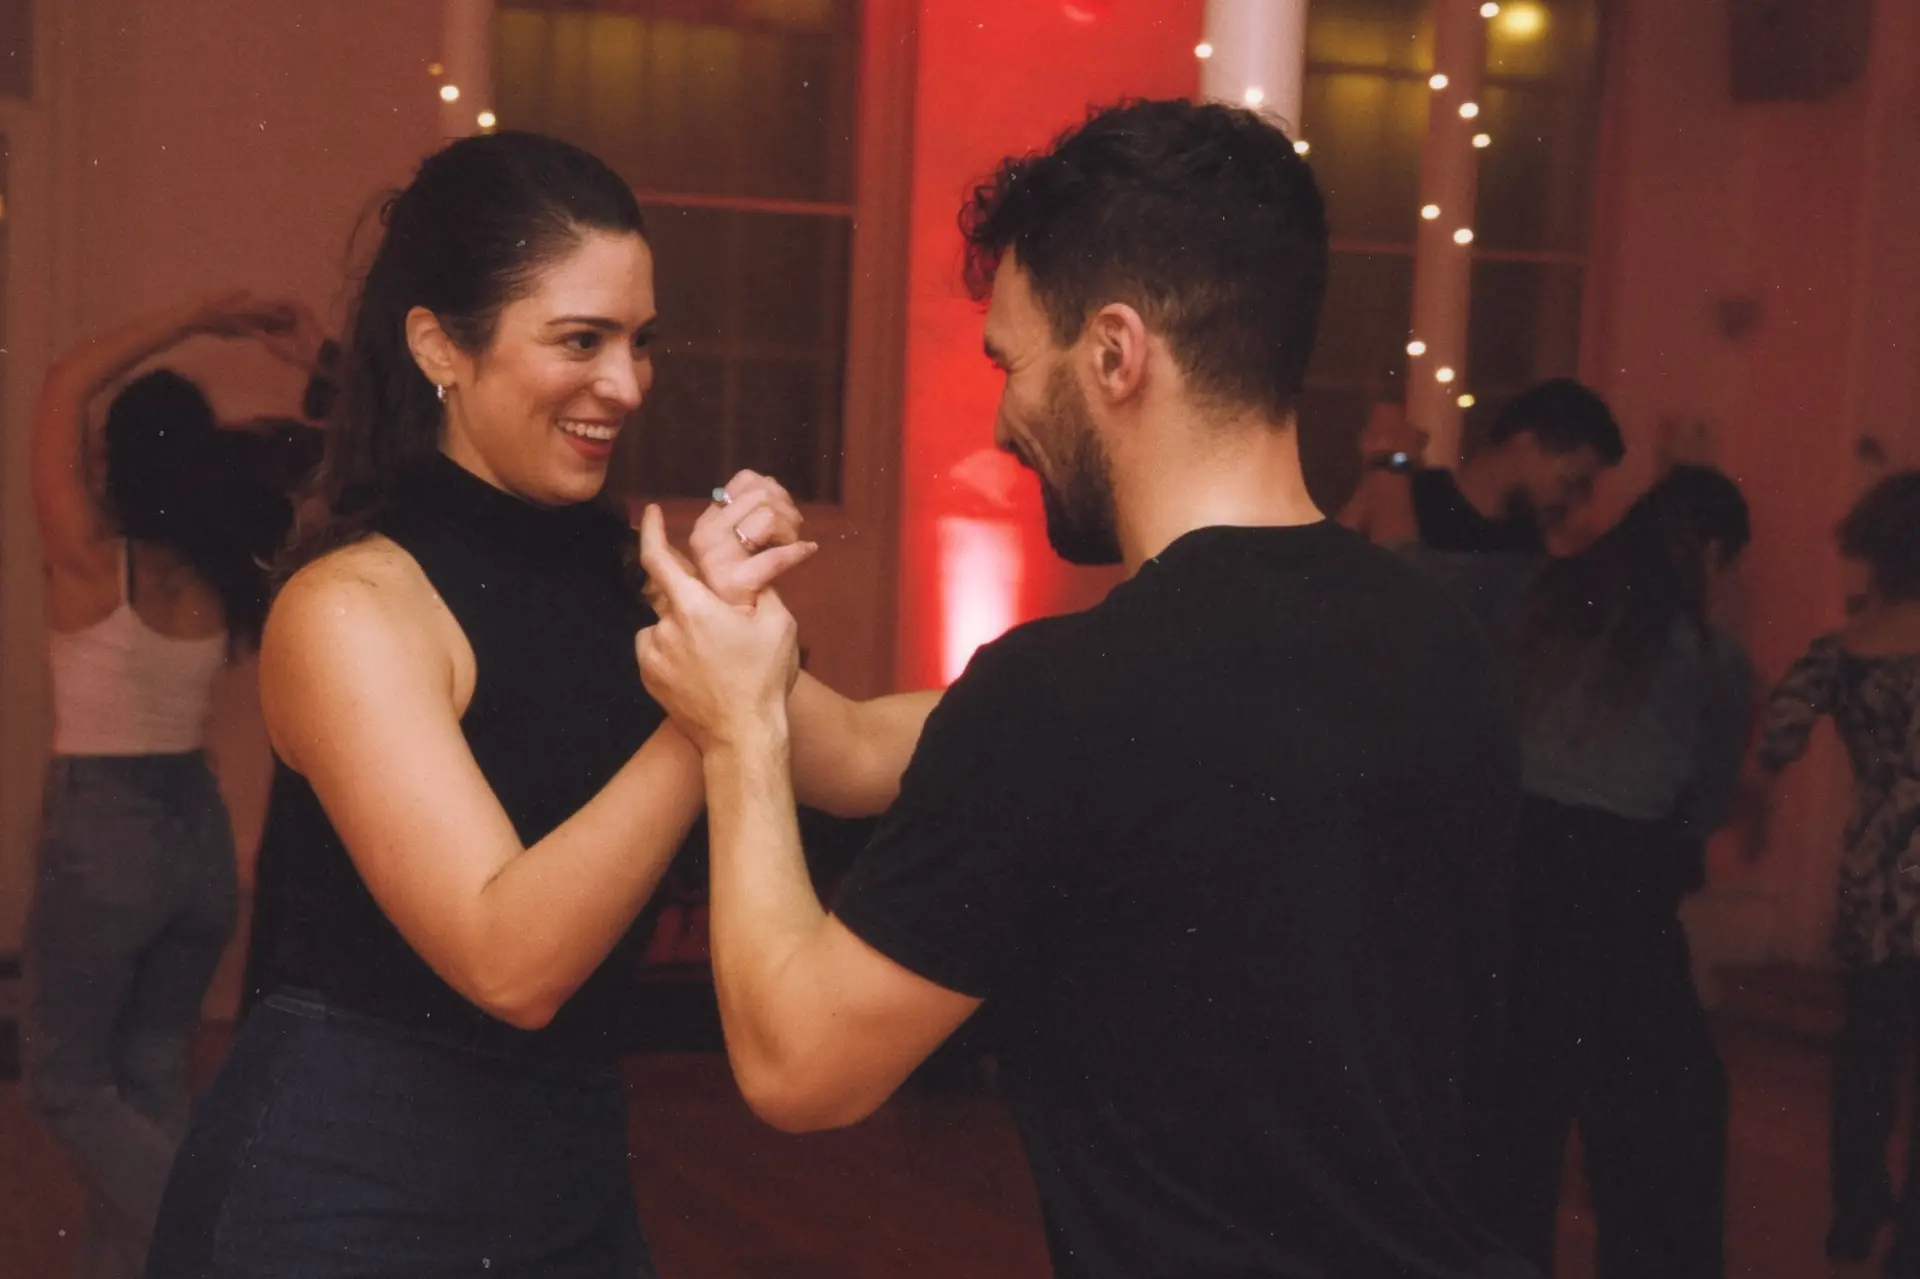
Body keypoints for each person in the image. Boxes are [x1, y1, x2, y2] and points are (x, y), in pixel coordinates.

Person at [634, 98, 1532, 1279]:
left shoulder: (1067, 698)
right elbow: (858, 748)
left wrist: (738, 732)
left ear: (1115, 353)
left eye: (1012, 359)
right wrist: (736, 631)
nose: (1005, 415)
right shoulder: (1436, 638)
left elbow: (801, 1069)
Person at [142, 131, 931, 1279]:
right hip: (343, 1183)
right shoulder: (353, 605)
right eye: (582, 340)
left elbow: (857, 749)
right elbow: (508, 959)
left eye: (639, 341)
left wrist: (1101, 677)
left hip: (562, 1170)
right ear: (439, 347)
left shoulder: (622, 576)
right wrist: (699, 704)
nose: (628, 383)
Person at [23, 291, 329, 1279]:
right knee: (147, 1075)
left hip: (104, 830)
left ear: (120, 459)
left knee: (65, 1085)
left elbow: (65, 382)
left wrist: (205, 315)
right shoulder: (216, 568)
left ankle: (221, 1245)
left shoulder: (89, 557)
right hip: (196, 837)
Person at [1486, 465, 1754, 1278]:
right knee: (1667, 1134)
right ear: (1710, 549)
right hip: (1620, 890)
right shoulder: (1710, 659)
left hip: (1517, 877)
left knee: (1513, 1131)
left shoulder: (1547, 602)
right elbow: (1699, 807)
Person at [1755, 472, 1920, 1274]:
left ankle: (1855, 1213)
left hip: (1875, 872)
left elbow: (1776, 738)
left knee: (1865, 1056)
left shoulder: (1841, 651)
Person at [1342, 379, 1627, 654]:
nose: (1572, 502)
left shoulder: (1529, 553)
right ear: (1524, 444)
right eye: (1569, 481)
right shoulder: (1413, 497)